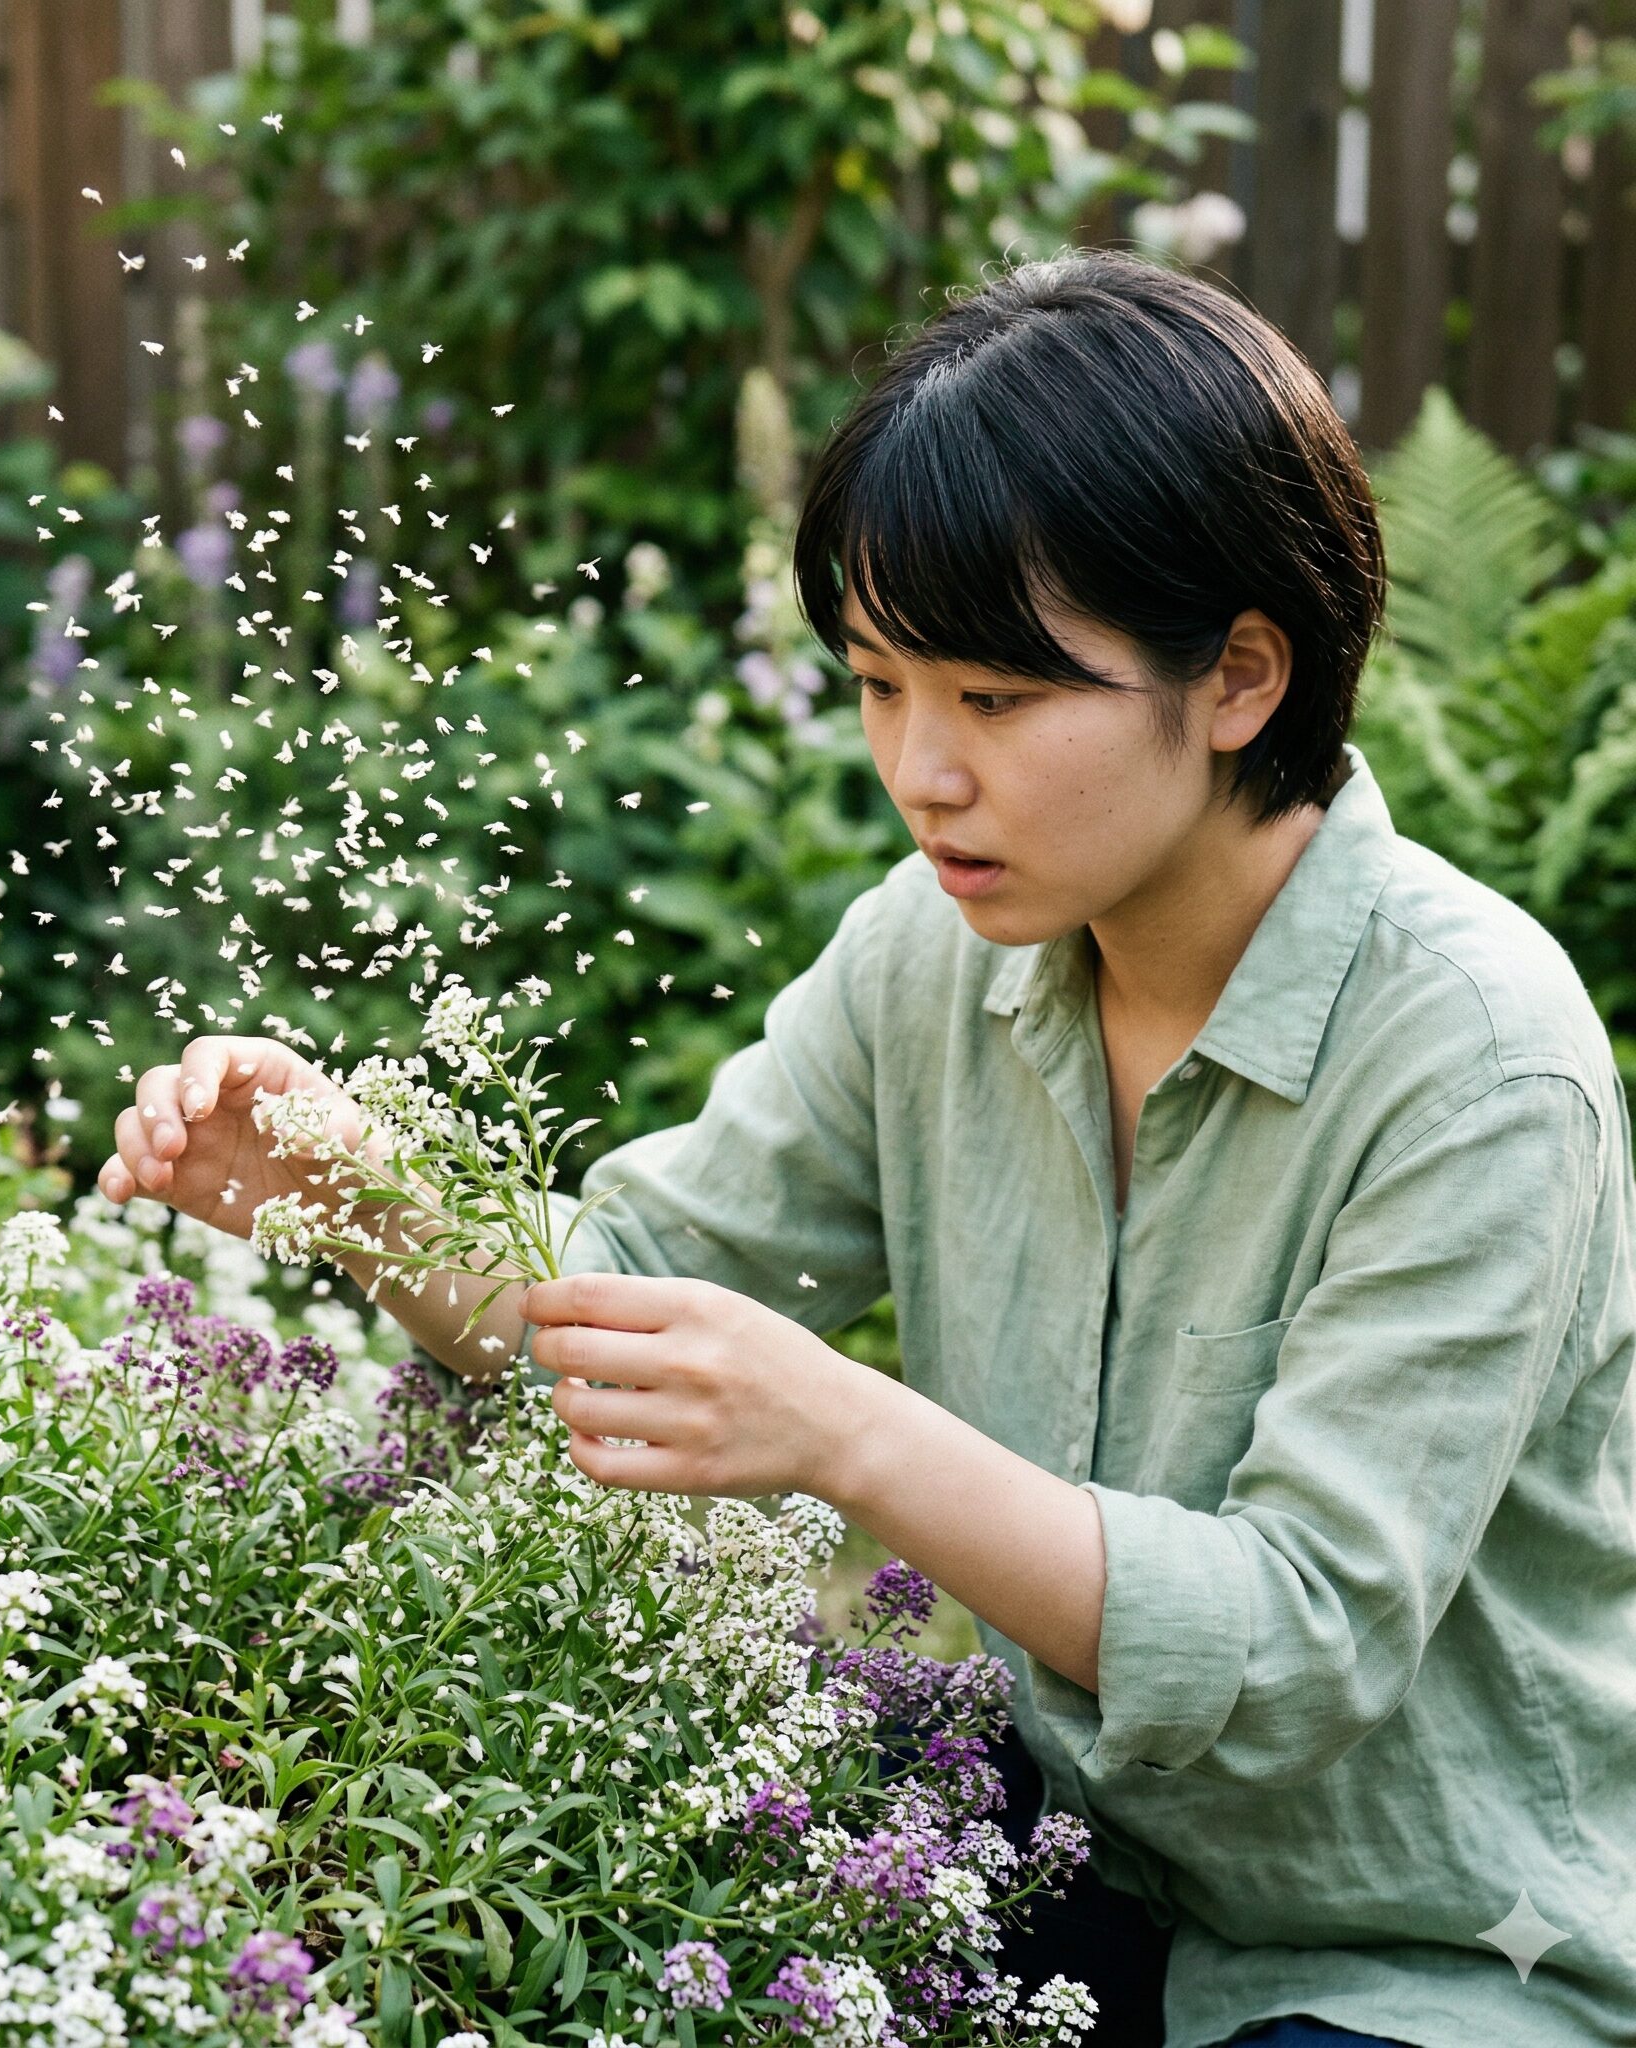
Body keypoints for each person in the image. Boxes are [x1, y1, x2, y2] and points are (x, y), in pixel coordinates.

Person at [97, 249, 1636, 2048]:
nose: (921, 771)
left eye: (992, 700)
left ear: (1238, 678)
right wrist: (353, 1196)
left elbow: (1298, 1650)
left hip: (1435, 1955)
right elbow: (625, 1300)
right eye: (879, 683)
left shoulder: (1474, 1061)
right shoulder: (932, 951)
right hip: (1051, 1872)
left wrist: (844, 1426)